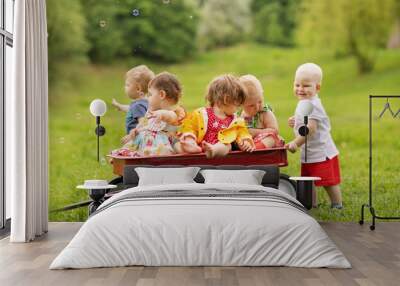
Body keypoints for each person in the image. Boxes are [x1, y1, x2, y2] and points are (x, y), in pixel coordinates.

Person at [286, 63, 343, 209]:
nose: (300, 89)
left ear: (317, 87)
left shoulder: (314, 105)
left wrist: (295, 143)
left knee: (327, 181)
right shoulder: (305, 102)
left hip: (321, 152)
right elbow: (304, 118)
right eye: (297, 84)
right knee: (308, 180)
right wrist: (296, 120)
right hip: (310, 152)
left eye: (306, 86)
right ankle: (312, 204)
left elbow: (310, 129)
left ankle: (337, 204)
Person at [178, 74, 255, 158]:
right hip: (200, 146)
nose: (238, 108)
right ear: (227, 99)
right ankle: (190, 147)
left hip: (219, 148)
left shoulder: (235, 121)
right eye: (237, 104)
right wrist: (189, 137)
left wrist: (245, 142)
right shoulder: (201, 114)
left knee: (227, 145)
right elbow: (190, 126)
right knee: (187, 140)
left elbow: (243, 133)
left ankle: (213, 150)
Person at [121, 72, 185, 156]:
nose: (147, 98)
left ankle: (149, 163)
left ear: (161, 94)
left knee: (158, 152)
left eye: (150, 94)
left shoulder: (173, 112)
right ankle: (127, 160)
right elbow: (143, 124)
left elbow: (170, 116)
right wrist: (135, 131)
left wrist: (161, 114)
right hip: (143, 143)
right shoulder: (150, 112)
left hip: (158, 146)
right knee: (128, 150)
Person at [239, 74, 283, 149]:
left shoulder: (265, 113)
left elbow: (274, 131)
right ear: (240, 104)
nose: (257, 107)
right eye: (251, 105)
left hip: (264, 143)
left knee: (271, 138)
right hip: (249, 142)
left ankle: (255, 148)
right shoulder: (240, 115)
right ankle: (246, 148)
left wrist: (255, 132)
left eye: (260, 101)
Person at [112, 65, 155, 134]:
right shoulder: (144, 102)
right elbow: (132, 110)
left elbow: (143, 123)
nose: (124, 87)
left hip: (136, 137)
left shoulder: (138, 106)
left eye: (127, 85)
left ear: (138, 89)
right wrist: (120, 106)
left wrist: (133, 135)